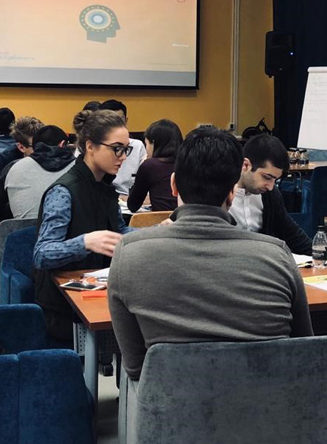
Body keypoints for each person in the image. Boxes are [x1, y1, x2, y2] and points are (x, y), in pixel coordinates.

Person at [109, 127, 314, 380]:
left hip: (171, 409)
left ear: (174, 185)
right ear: (232, 192)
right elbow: (303, 348)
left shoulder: (129, 255)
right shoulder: (278, 257)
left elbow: (136, 368)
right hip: (264, 407)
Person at [33, 109, 135, 345]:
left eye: (126, 149)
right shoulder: (64, 191)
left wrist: (156, 234)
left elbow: (118, 231)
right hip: (62, 306)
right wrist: (86, 242)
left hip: (97, 293)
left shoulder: (106, 187)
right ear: (90, 146)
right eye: (116, 148)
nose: (122, 156)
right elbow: (42, 254)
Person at [229, 134, 312, 255]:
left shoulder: (270, 194)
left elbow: (291, 233)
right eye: (267, 177)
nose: (270, 186)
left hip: (262, 263)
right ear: (245, 165)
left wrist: (321, 256)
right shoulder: (220, 195)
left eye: (275, 180)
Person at [0, 125, 74, 222]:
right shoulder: (81, 166)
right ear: (62, 144)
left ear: (35, 146)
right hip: (74, 235)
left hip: (24, 234)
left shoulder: (14, 167)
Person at [126, 119, 182, 213]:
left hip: (160, 222)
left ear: (153, 143)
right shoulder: (188, 163)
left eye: (146, 144)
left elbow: (133, 205)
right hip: (186, 220)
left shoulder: (149, 166)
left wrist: (143, 165)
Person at [100, 99, 146, 196]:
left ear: (126, 121)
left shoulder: (137, 146)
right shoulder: (95, 146)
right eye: (111, 121)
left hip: (130, 201)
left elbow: (144, 183)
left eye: (120, 120)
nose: (116, 125)